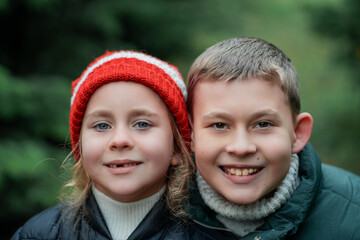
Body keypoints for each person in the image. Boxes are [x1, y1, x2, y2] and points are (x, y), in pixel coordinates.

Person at [11, 50, 225, 240]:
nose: (120, 140)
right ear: (80, 147)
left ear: (178, 147)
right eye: (102, 126)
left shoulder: (206, 235)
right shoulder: (40, 233)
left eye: (142, 124)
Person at [186, 37, 360, 239]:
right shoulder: (160, 212)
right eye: (219, 125)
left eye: (263, 124)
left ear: (298, 133)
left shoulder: (354, 215)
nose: (241, 147)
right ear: (190, 134)